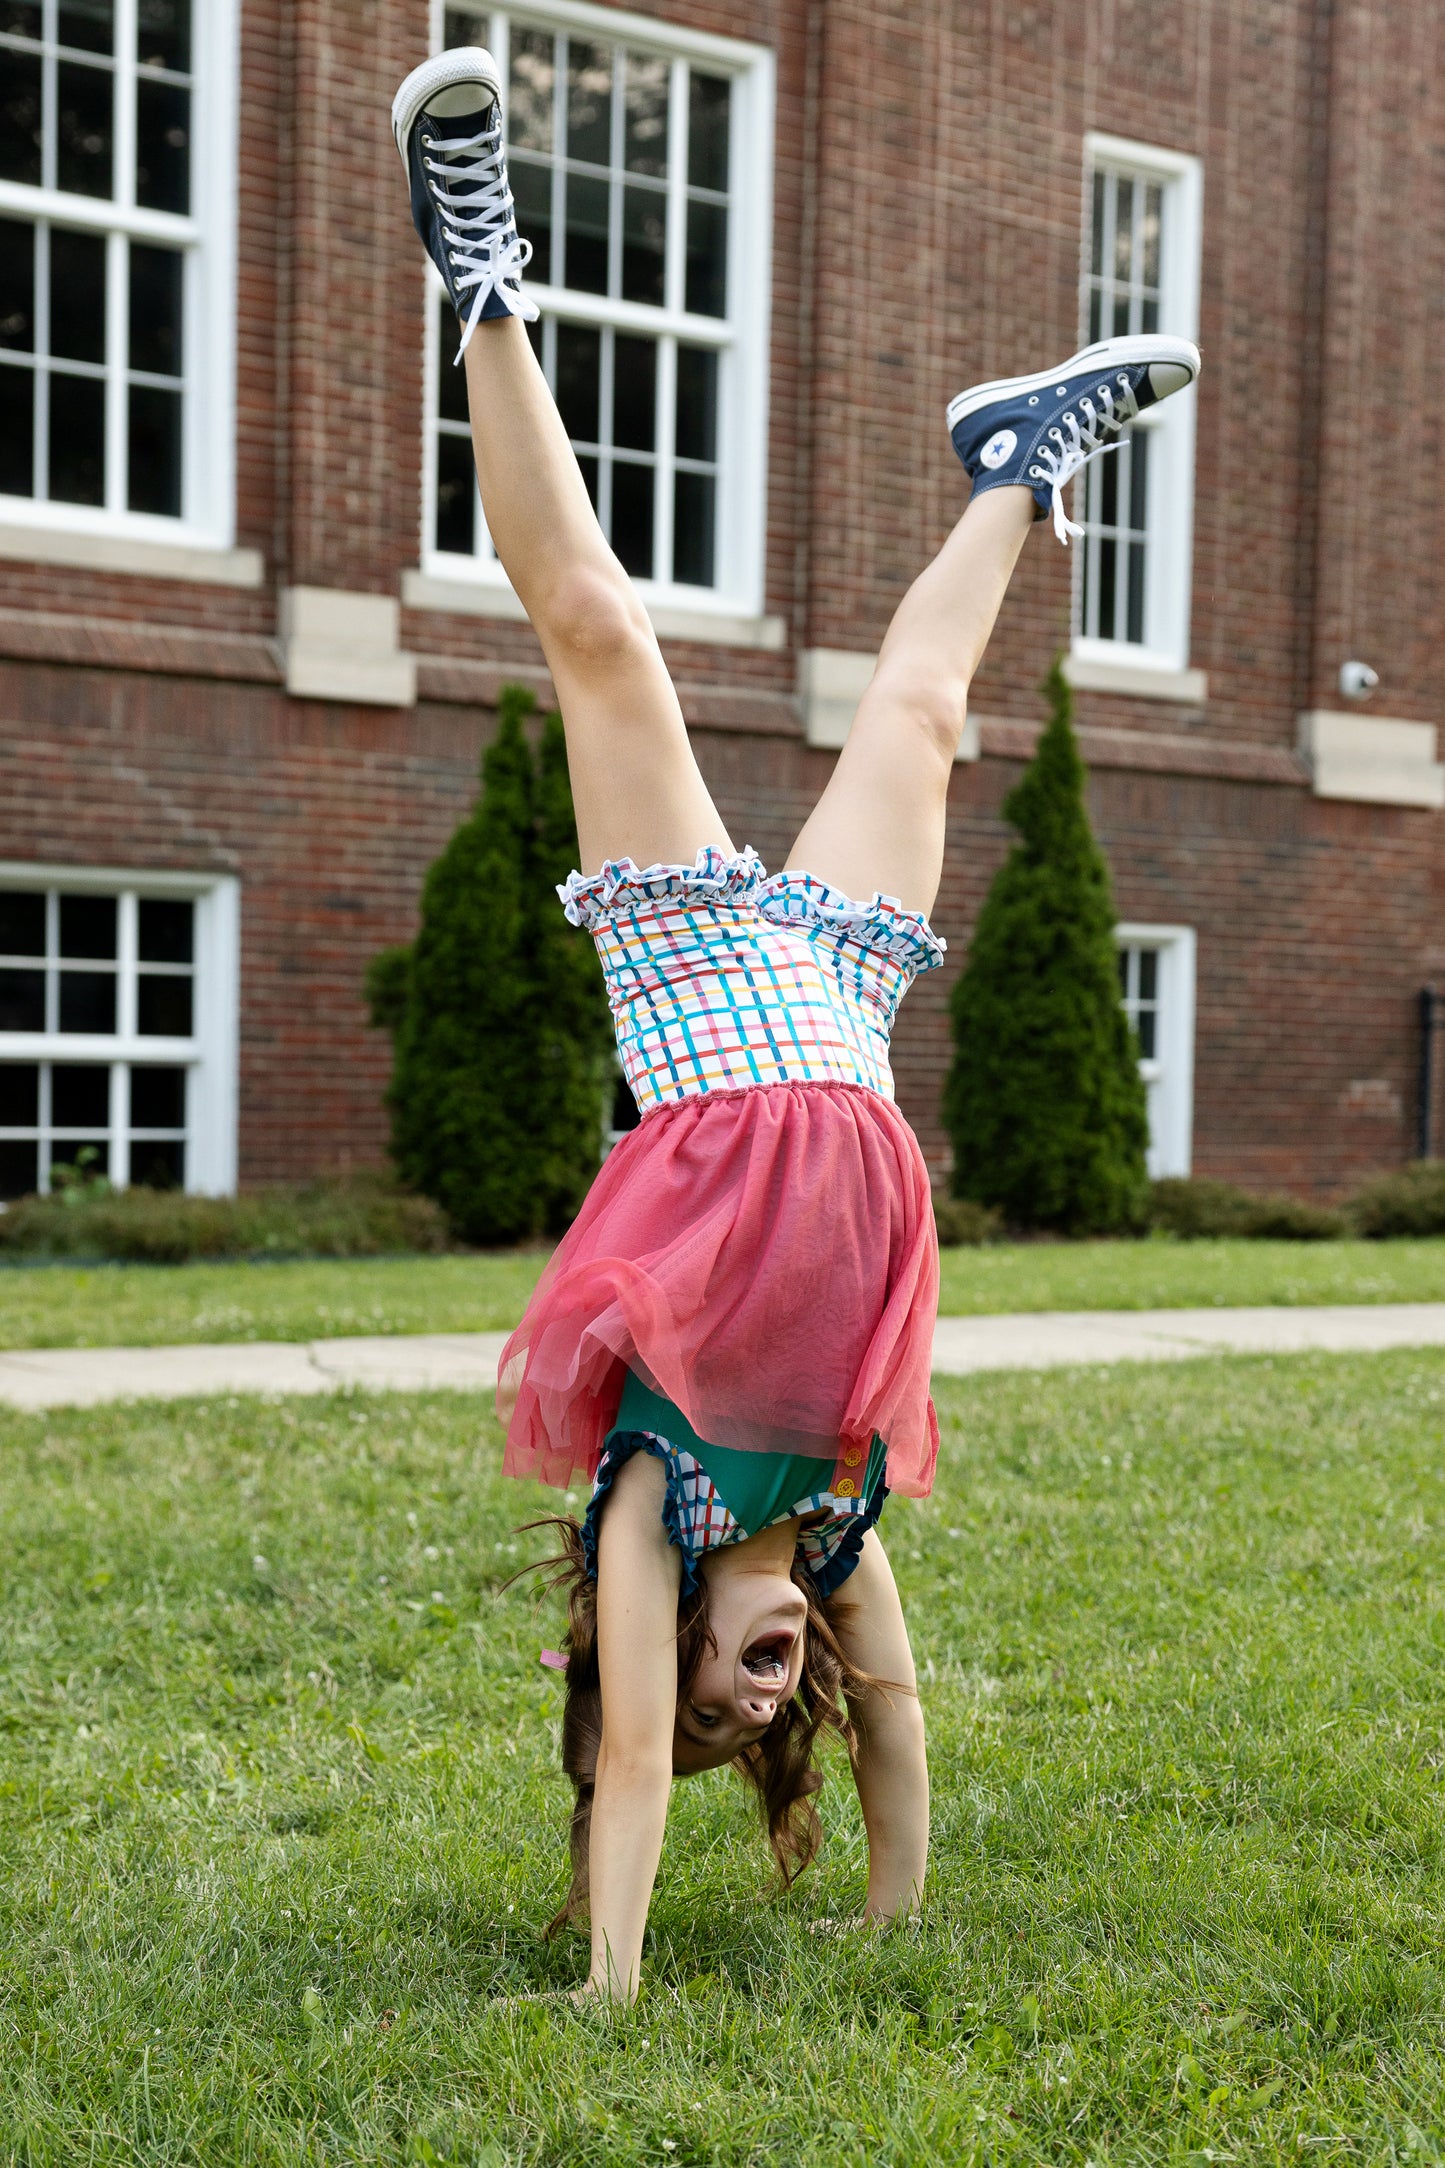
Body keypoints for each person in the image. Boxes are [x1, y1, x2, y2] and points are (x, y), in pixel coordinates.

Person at [390, 45, 1201, 2003]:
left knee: (598, 629)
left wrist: (610, 1977)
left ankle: (476, 267)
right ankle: (1022, 468)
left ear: (644, 1632)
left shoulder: (658, 1512)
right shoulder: (834, 1518)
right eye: (781, 1688)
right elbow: (905, 1734)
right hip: (835, 1027)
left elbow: (638, 1773)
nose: (766, 1673)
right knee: (923, 716)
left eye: (725, 1673)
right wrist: (890, 1912)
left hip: (699, 1032)